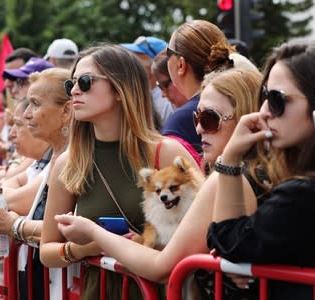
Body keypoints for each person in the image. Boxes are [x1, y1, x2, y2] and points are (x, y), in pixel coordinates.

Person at [52, 57, 263, 290]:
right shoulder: (69, 162)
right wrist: (79, 249)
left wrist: (94, 233)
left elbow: (163, 266)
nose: (199, 128)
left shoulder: (214, 172)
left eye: (209, 119)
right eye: (197, 117)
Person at [39, 44, 199, 299]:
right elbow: (47, 250)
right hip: (98, 291)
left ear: (120, 90)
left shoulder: (165, 153)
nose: (75, 91)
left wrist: (113, 241)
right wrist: (84, 248)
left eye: (86, 81)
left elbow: (197, 237)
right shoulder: (69, 162)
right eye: (71, 85)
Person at [207, 41, 315, 299]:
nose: (264, 111)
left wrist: (231, 158)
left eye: (277, 99)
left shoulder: (300, 195)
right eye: (265, 96)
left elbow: (227, 240)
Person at [0, 67, 72, 300]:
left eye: (35, 104)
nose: (28, 114)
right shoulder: (58, 158)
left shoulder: (73, 159)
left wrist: (12, 225)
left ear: (66, 111)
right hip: (44, 278)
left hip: (62, 284)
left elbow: (68, 230)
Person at [162, 20, 235, 155]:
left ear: (181, 65)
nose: (199, 128)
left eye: (168, 53)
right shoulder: (242, 100)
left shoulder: (179, 123)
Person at [121, 36, 175, 131]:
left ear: (155, 61)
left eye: (137, 55)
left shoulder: (167, 100)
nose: (131, 61)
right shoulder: (136, 95)